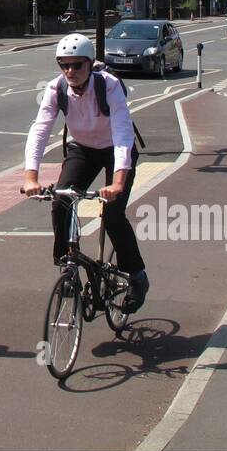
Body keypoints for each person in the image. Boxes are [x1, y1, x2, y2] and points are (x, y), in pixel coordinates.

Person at [22, 34, 149, 313]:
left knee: (113, 215)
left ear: (90, 64)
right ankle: (67, 265)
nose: (70, 72)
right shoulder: (57, 89)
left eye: (77, 65)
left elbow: (122, 132)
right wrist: (31, 176)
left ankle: (137, 275)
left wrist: (117, 183)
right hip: (82, 148)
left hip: (116, 148)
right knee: (60, 201)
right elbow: (40, 129)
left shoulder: (109, 86)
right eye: (63, 65)